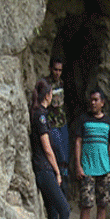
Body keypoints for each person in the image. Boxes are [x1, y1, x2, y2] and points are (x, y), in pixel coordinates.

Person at [74, 88, 110, 219]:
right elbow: (78, 142)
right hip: (87, 170)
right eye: (91, 100)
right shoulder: (83, 119)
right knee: (86, 206)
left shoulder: (108, 122)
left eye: (96, 100)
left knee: (102, 206)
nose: (93, 103)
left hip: (104, 170)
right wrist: (78, 166)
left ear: (102, 102)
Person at [30, 79, 70, 219]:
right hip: (45, 169)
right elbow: (47, 148)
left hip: (44, 168)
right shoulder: (41, 116)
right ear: (47, 95)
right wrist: (57, 171)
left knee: (54, 212)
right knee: (64, 210)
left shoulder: (40, 113)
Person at [45, 57, 70, 195]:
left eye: (60, 70)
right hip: (52, 124)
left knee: (65, 157)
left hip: (62, 123)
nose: (57, 72)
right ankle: (59, 190)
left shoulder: (61, 83)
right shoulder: (45, 84)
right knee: (59, 156)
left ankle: (64, 191)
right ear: (50, 68)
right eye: (55, 69)